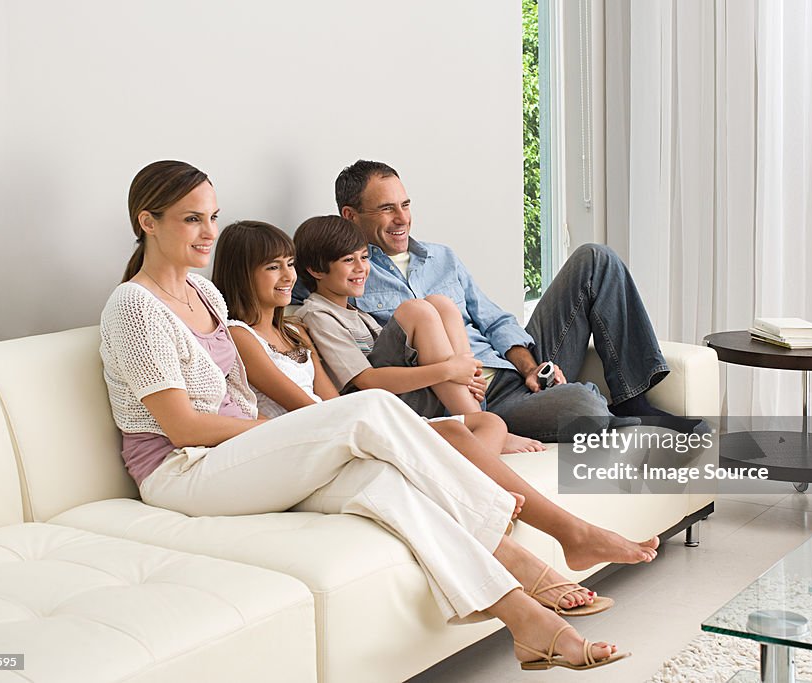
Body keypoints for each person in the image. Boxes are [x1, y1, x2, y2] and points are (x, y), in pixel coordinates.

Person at [100, 160, 624, 672]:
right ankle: (565, 532)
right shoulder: (135, 306)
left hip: (238, 458)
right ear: (148, 222)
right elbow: (183, 428)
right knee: (366, 408)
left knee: (386, 485)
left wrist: (285, 434)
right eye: (193, 218)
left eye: (212, 216)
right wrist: (283, 430)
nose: (208, 231)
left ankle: (529, 626)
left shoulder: (203, 293)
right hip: (184, 470)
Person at [211, 218, 659, 575]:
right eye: (274, 267)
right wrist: (449, 370)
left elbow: (329, 402)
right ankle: (552, 525)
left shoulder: (302, 326)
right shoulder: (284, 324)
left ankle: (514, 492)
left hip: (403, 403)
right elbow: (343, 397)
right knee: (424, 311)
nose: (287, 276)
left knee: (483, 404)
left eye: (288, 264)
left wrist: (522, 365)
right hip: (365, 417)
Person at [327, 159, 692, 443]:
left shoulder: (442, 258)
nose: (402, 218)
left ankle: (632, 399)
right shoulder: (340, 275)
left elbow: (495, 321)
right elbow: (293, 289)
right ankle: (590, 412)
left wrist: (529, 366)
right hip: (465, 396)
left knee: (595, 259)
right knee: (586, 406)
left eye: (405, 204)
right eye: (386, 209)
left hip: (508, 369)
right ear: (350, 216)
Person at [290, 214, 543, 454]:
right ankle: (478, 422)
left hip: (409, 394)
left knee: (441, 303)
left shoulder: (358, 314)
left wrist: (466, 375)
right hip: (379, 405)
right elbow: (367, 381)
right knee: (417, 310)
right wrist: (450, 370)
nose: (361, 268)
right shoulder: (318, 315)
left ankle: (472, 406)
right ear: (316, 270)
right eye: (348, 260)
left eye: (364, 258)